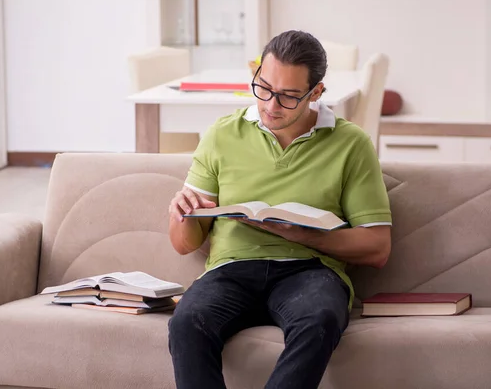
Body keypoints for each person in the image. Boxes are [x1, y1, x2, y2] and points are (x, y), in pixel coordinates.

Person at [167, 30, 392, 389]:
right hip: (231, 269)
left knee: (319, 319)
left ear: (316, 92)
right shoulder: (222, 135)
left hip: (310, 272)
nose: (271, 106)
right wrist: (180, 213)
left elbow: (378, 247)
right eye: (264, 88)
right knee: (186, 322)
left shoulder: (351, 144)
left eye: (288, 97)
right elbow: (184, 243)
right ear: (256, 74)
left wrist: (303, 235)